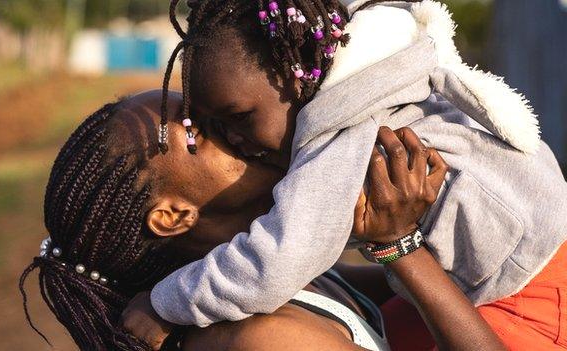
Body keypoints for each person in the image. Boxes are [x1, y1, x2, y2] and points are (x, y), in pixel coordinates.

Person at [125, 0, 567, 349]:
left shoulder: (340, 131)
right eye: (213, 128)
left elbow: (277, 259)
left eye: (238, 117)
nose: (233, 138)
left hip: (525, 300)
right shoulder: (381, 80)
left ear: (294, 79)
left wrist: (167, 303)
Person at [20, 90, 504, 350]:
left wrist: (370, 229)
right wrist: (399, 242)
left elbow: (401, 294)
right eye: (198, 132)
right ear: (172, 216)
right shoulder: (264, 336)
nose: (234, 127)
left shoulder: (264, 273)